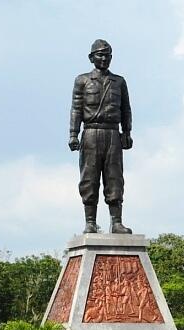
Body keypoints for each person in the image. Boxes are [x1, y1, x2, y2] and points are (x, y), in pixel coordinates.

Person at [69, 39, 133, 234]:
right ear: (91, 57)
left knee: (115, 178)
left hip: (112, 133)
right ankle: (90, 222)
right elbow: (76, 108)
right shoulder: (82, 80)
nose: (104, 59)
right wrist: (73, 133)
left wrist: (127, 132)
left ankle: (116, 222)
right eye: (100, 55)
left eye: (107, 55)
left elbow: (126, 109)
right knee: (89, 177)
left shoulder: (119, 82)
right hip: (90, 133)